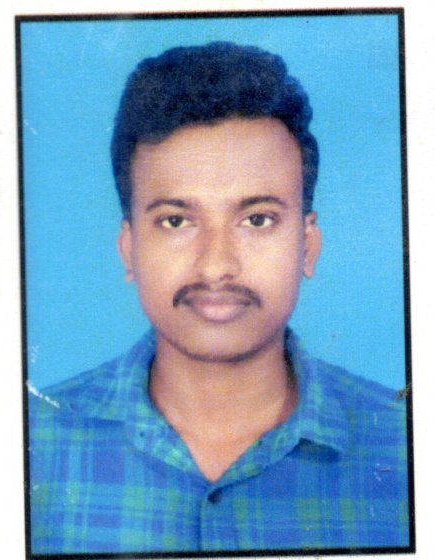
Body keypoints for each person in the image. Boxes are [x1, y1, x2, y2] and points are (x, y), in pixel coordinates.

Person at [28, 42, 410, 554]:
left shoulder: (407, 445)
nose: (215, 266)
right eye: (175, 221)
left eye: (257, 220)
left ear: (307, 245)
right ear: (128, 248)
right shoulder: (28, 443)